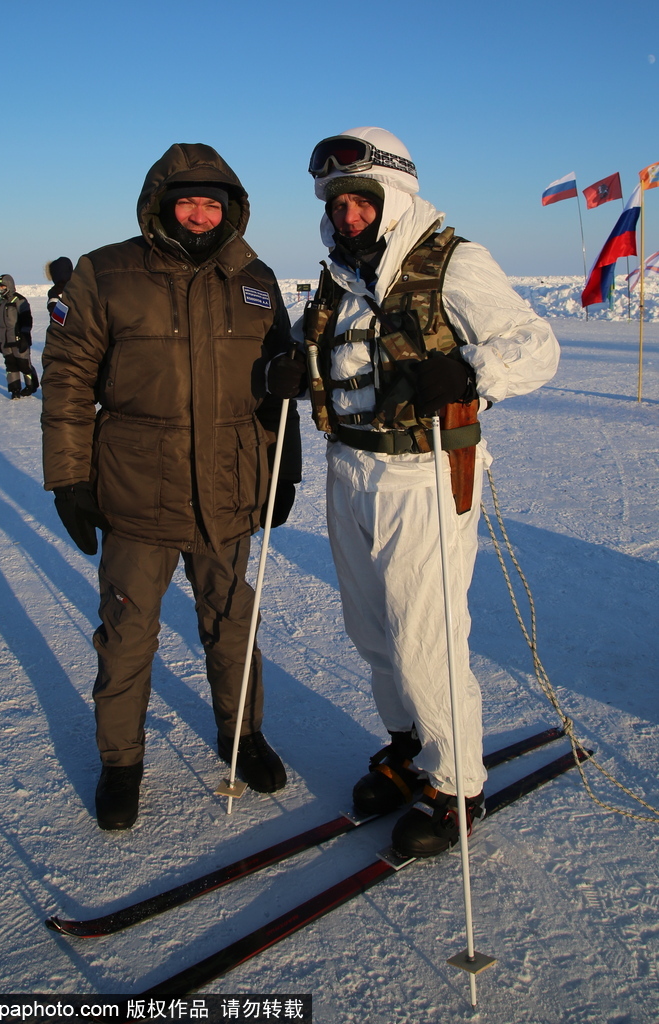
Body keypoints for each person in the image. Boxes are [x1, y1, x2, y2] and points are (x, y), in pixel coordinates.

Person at [268, 127, 559, 858]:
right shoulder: (338, 278)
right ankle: (407, 747)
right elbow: (316, 347)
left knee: (424, 636)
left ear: (393, 197)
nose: (348, 216)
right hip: (348, 467)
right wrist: (286, 367)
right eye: (337, 204)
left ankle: (457, 784)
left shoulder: (452, 262)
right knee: (371, 630)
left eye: (361, 202)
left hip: (423, 472)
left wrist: (469, 372)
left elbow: (536, 345)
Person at [41, 143, 301, 831]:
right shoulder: (106, 272)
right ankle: (121, 762)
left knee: (232, 624)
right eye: (187, 202)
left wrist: (283, 468)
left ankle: (243, 736)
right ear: (160, 204)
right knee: (128, 633)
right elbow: (67, 380)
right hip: (136, 492)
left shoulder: (255, 279)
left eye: (212, 203)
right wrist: (68, 478)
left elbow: (278, 387)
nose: (199, 214)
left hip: (228, 489)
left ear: (232, 210)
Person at [0, 275, 39, 398]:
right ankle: (15, 390)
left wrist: (24, 336)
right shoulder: (0, 303)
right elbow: (0, 324)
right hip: (5, 340)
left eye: (3, 286)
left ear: (9, 285)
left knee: (24, 364)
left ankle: (31, 386)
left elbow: (27, 320)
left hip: (19, 339)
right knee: (11, 365)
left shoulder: (19, 300)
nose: (1, 289)